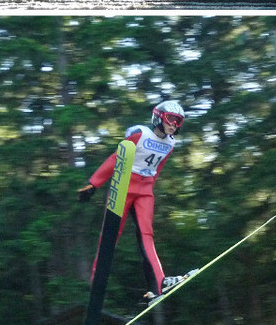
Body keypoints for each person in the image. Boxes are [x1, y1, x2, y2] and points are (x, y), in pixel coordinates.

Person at [78, 100, 192, 298]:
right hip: (124, 184)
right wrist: (94, 183)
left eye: (178, 121)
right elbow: (116, 158)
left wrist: (149, 187)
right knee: (111, 232)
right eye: (171, 119)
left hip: (145, 189)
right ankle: (97, 280)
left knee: (146, 234)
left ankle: (159, 283)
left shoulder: (171, 143)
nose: (174, 124)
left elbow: (158, 167)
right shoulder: (139, 134)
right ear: (159, 117)